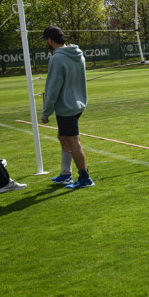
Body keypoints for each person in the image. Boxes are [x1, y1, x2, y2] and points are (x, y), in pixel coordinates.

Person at [41, 25, 94, 189]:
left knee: (73, 142)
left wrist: (46, 111)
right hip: (78, 104)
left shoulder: (57, 58)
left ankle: (84, 177)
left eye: (46, 40)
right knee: (63, 137)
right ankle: (65, 174)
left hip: (66, 107)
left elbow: (53, 87)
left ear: (50, 40)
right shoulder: (78, 55)